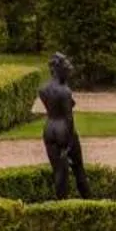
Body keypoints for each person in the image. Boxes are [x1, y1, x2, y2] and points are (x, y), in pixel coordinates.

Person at [39, 52, 90, 200]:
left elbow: (52, 106)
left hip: (49, 128)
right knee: (78, 169)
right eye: (67, 68)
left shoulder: (43, 89)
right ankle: (89, 201)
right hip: (64, 130)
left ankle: (60, 204)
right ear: (59, 69)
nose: (69, 70)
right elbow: (69, 118)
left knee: (59, 172)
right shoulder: (65, 92)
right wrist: (69, 143)